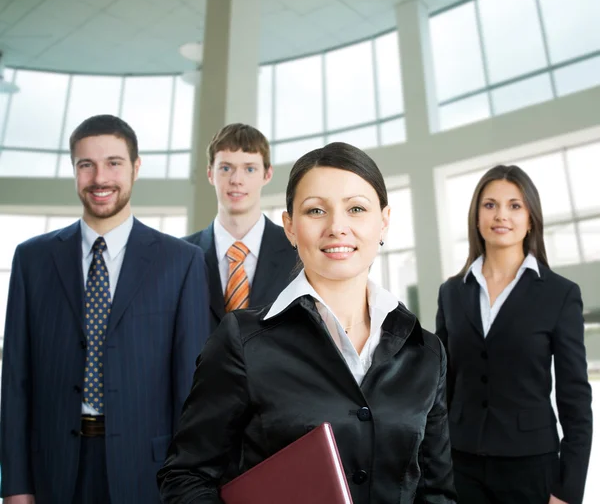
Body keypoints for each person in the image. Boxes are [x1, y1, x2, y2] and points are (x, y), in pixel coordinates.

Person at [158, 142, 457, 504]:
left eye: (356, 209)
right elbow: (186, 477)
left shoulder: (425, 352)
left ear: (384, 221)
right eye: (316, 210)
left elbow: (437, 493)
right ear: (290, 227)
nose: (337, 227)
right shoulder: (243, 341)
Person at [0, 115, 211, 504]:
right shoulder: (32, 260)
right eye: (86, 165)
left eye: (114, 163)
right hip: (52, 468)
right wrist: (14, 484)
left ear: (136, 167)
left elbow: (192, 393)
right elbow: (15, 381)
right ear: (74, 171)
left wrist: (190, 487)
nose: (100, 178)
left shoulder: (181, 262)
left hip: (149, 472)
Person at [436, 165, 593, 504]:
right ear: (476, 217)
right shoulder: (451, 293)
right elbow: (442, 389)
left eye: (515, 205)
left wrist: (568, 489)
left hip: (531, 465)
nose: (501, 215)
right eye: (490, 205)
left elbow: (575, 399)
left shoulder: (559, 294)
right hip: (460, 465)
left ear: (531, 219)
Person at [184, 123, 297, 332]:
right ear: (210, 174)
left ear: (267, 174)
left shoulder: (297, 252)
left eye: (249, 169)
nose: (237, 180)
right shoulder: (181, 255)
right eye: (226, 168)